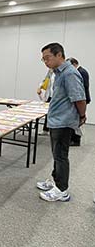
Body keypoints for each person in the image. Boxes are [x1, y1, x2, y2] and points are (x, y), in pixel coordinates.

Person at [36, 43, 86, 202]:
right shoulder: (57, 73)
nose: (45, 62)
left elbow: (79, 98)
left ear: (59, 55)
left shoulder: (69, 73)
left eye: (48, 58)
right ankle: (56, 180)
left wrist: (82, 116)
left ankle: (62, 190)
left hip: (64, 121)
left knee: (61, 156)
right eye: (43, 59)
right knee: (57, 154)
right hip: (56, 120)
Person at [69, 57, 91, 146]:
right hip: (80, 98)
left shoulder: (81, 72)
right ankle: (74, 138)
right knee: (75, 119)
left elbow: (83, 87)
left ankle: (76, 140)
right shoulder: (79, 71)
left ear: (74, 64)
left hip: (82, 99)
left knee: (78, 120)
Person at [36, 69, 55, 135]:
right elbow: (45, 80)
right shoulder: (50, 71)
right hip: (49, 95)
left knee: (54, 114)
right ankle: (45, 130)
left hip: (56, 96)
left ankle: (53, 131)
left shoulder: (61, 72)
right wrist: (40, 87)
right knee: (48, 112)